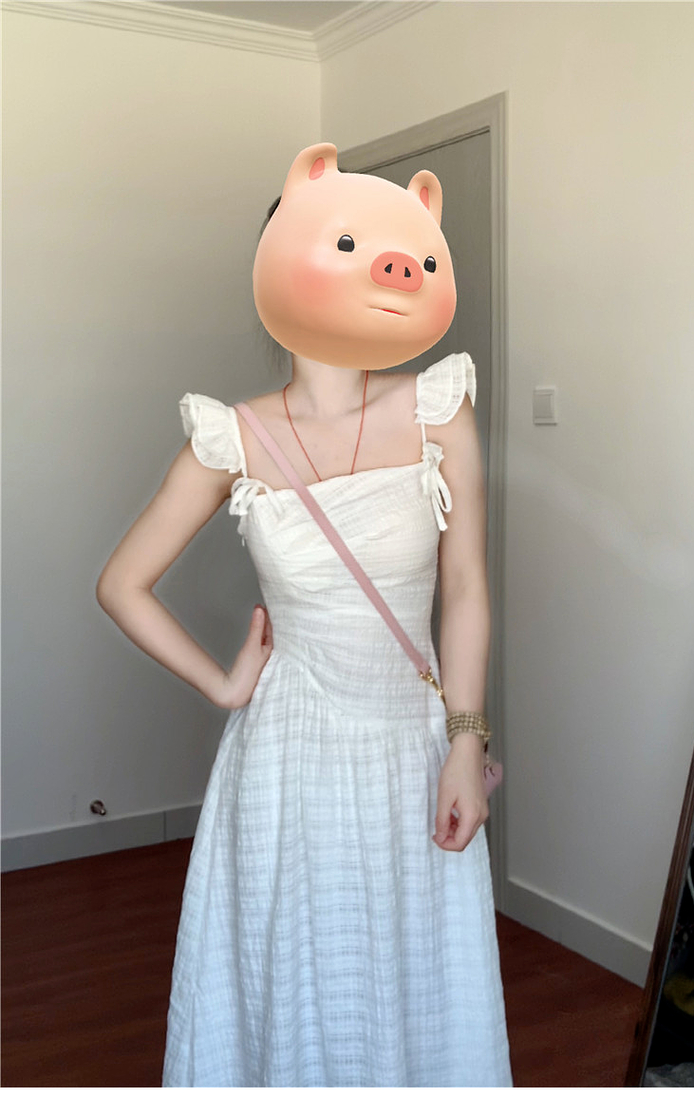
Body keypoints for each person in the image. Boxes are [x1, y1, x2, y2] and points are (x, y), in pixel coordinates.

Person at [96, 143, 512, 1087]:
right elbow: (122, 582)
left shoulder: (438, 409)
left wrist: (465, 743)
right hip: (287, 758)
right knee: (298, 983)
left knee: (415, 986)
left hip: (411, 750)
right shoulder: (231, 439)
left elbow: (465, 588)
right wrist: (223, 683)